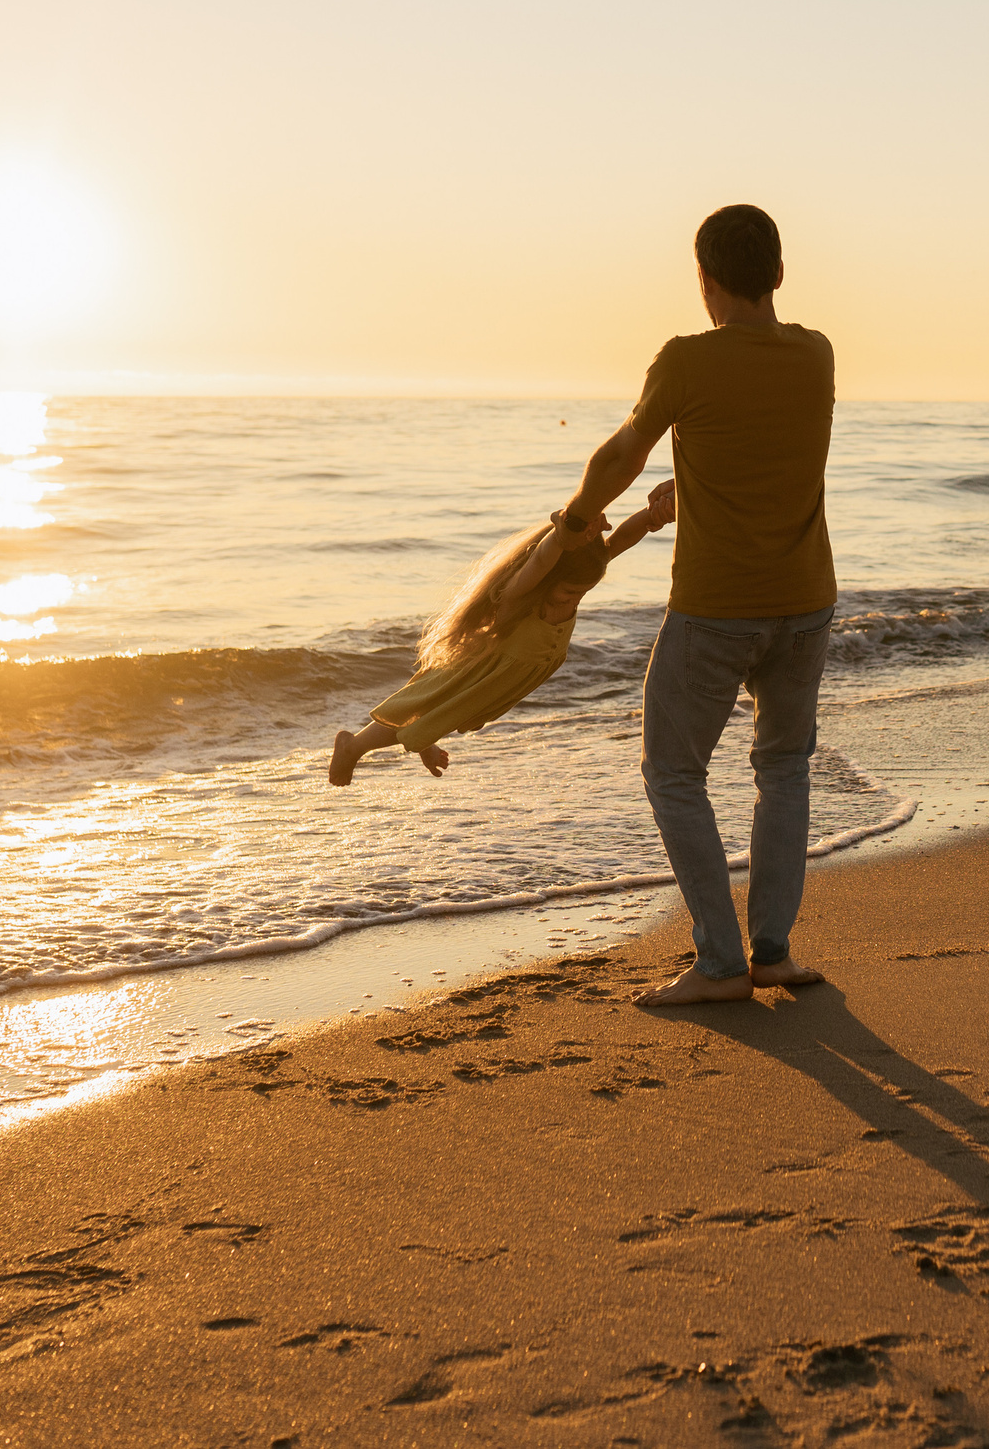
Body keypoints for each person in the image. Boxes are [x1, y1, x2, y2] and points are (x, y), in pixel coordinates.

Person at [554, 203, 837, 1006]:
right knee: (783, 768)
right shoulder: (816, 355)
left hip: (716, 608)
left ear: (705, 282)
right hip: (806, 602)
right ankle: (772, 952)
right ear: (779, 274)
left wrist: (576, 522)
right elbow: (768, 448)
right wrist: (695, 487)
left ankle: (719, 962)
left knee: (673, 772)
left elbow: (621, 451)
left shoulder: (685, 361)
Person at [327, 486, 675, 787]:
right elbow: (541, 561)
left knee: (445, 716)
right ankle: (353, 746)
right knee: (418, 708)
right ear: (547, 581)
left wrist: (650, 516)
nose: (574, 600)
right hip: (478, 671)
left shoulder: (578, 573)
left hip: (496, 682)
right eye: (567, 593)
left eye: (581, 594)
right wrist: (562, 533)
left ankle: (424, 740)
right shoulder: (519, 596)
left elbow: (620, 540)